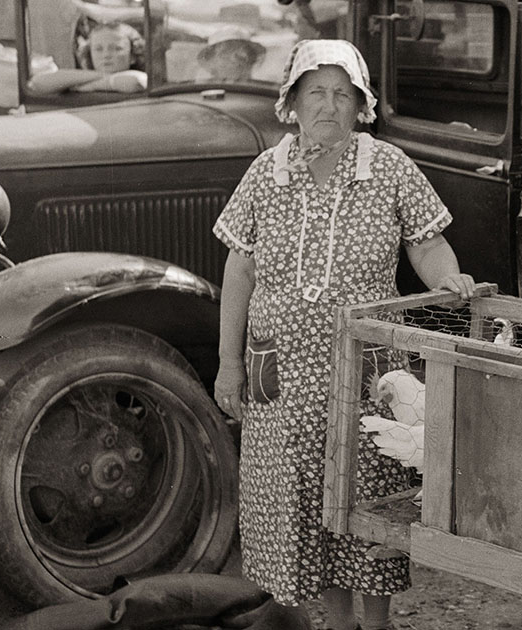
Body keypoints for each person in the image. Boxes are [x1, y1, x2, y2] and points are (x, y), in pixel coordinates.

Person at [212, 39, 476, 630]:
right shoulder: (265, 172)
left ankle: (375, 624)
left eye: (341, 94)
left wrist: (448, 277)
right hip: (280, 379)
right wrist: (229, 363)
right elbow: (240, 269)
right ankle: (337, 623)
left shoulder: (387, 167)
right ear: (292, 103)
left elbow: (427, 243)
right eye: (315, 93)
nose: (328, 105)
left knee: (365, 503)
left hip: (363, 374)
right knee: (304, 506)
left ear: (360, 106)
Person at [27, 21, 147, 95]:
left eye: (116, 48)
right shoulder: (85, 77)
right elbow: (37, 83)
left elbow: (136, 82)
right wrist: (99, 77)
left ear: (132, 55)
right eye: (98, 49)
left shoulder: (140, 76)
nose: (106, 55)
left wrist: (89, 86)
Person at [198, 26, 266, 83]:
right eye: (225, 53)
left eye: (240, 52)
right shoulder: (201, 90)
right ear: (212, 60)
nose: (234, 60)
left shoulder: (259, 92)